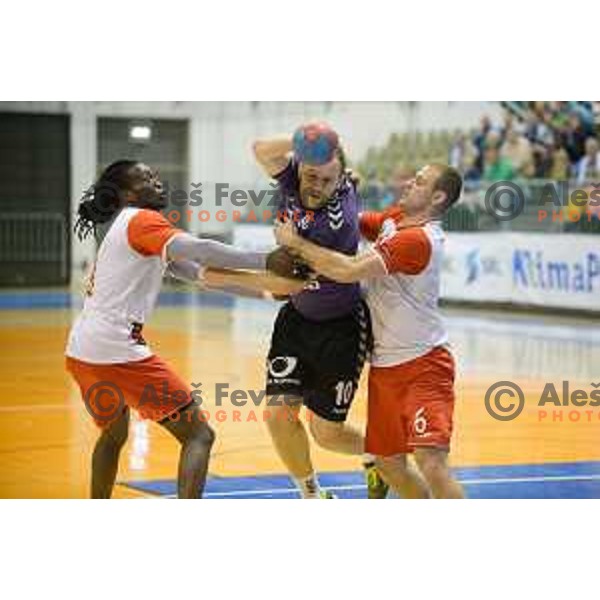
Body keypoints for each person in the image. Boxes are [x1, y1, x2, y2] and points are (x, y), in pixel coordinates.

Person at [66, 160, 302, 499]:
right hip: (117, 350)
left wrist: (266, 291)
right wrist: (265, 260)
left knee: (114, 436)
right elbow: (202, 249)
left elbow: (202, 275)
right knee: (199, 435)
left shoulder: (128, 228)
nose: (157, 180)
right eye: (146, 177)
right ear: (127, 193)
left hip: (82, 353)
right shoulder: (142, 219)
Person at [275, 163, 466, 499]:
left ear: (437, 197)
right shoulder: (395, 221)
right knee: (388, 464)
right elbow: (349, 225)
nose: (409, 182)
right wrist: (338, 191)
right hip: (386, 367)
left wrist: (296, 244)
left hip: (425, 363)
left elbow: (347, 269)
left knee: (430, 461)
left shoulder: (418, 239)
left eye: (419, 182)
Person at [253, 126, 386, 499]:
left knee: (326, 433)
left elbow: (336, 266)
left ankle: (377, 453)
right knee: (278, 415)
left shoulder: (338, 216)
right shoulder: (297, 177)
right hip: (297, 319)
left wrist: (292, 242)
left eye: (327, 179)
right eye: (310, 175)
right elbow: (262, 150)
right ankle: (311, 495)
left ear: (341, 180)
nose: (316, 185)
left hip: (342, 325)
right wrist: (303, 144)